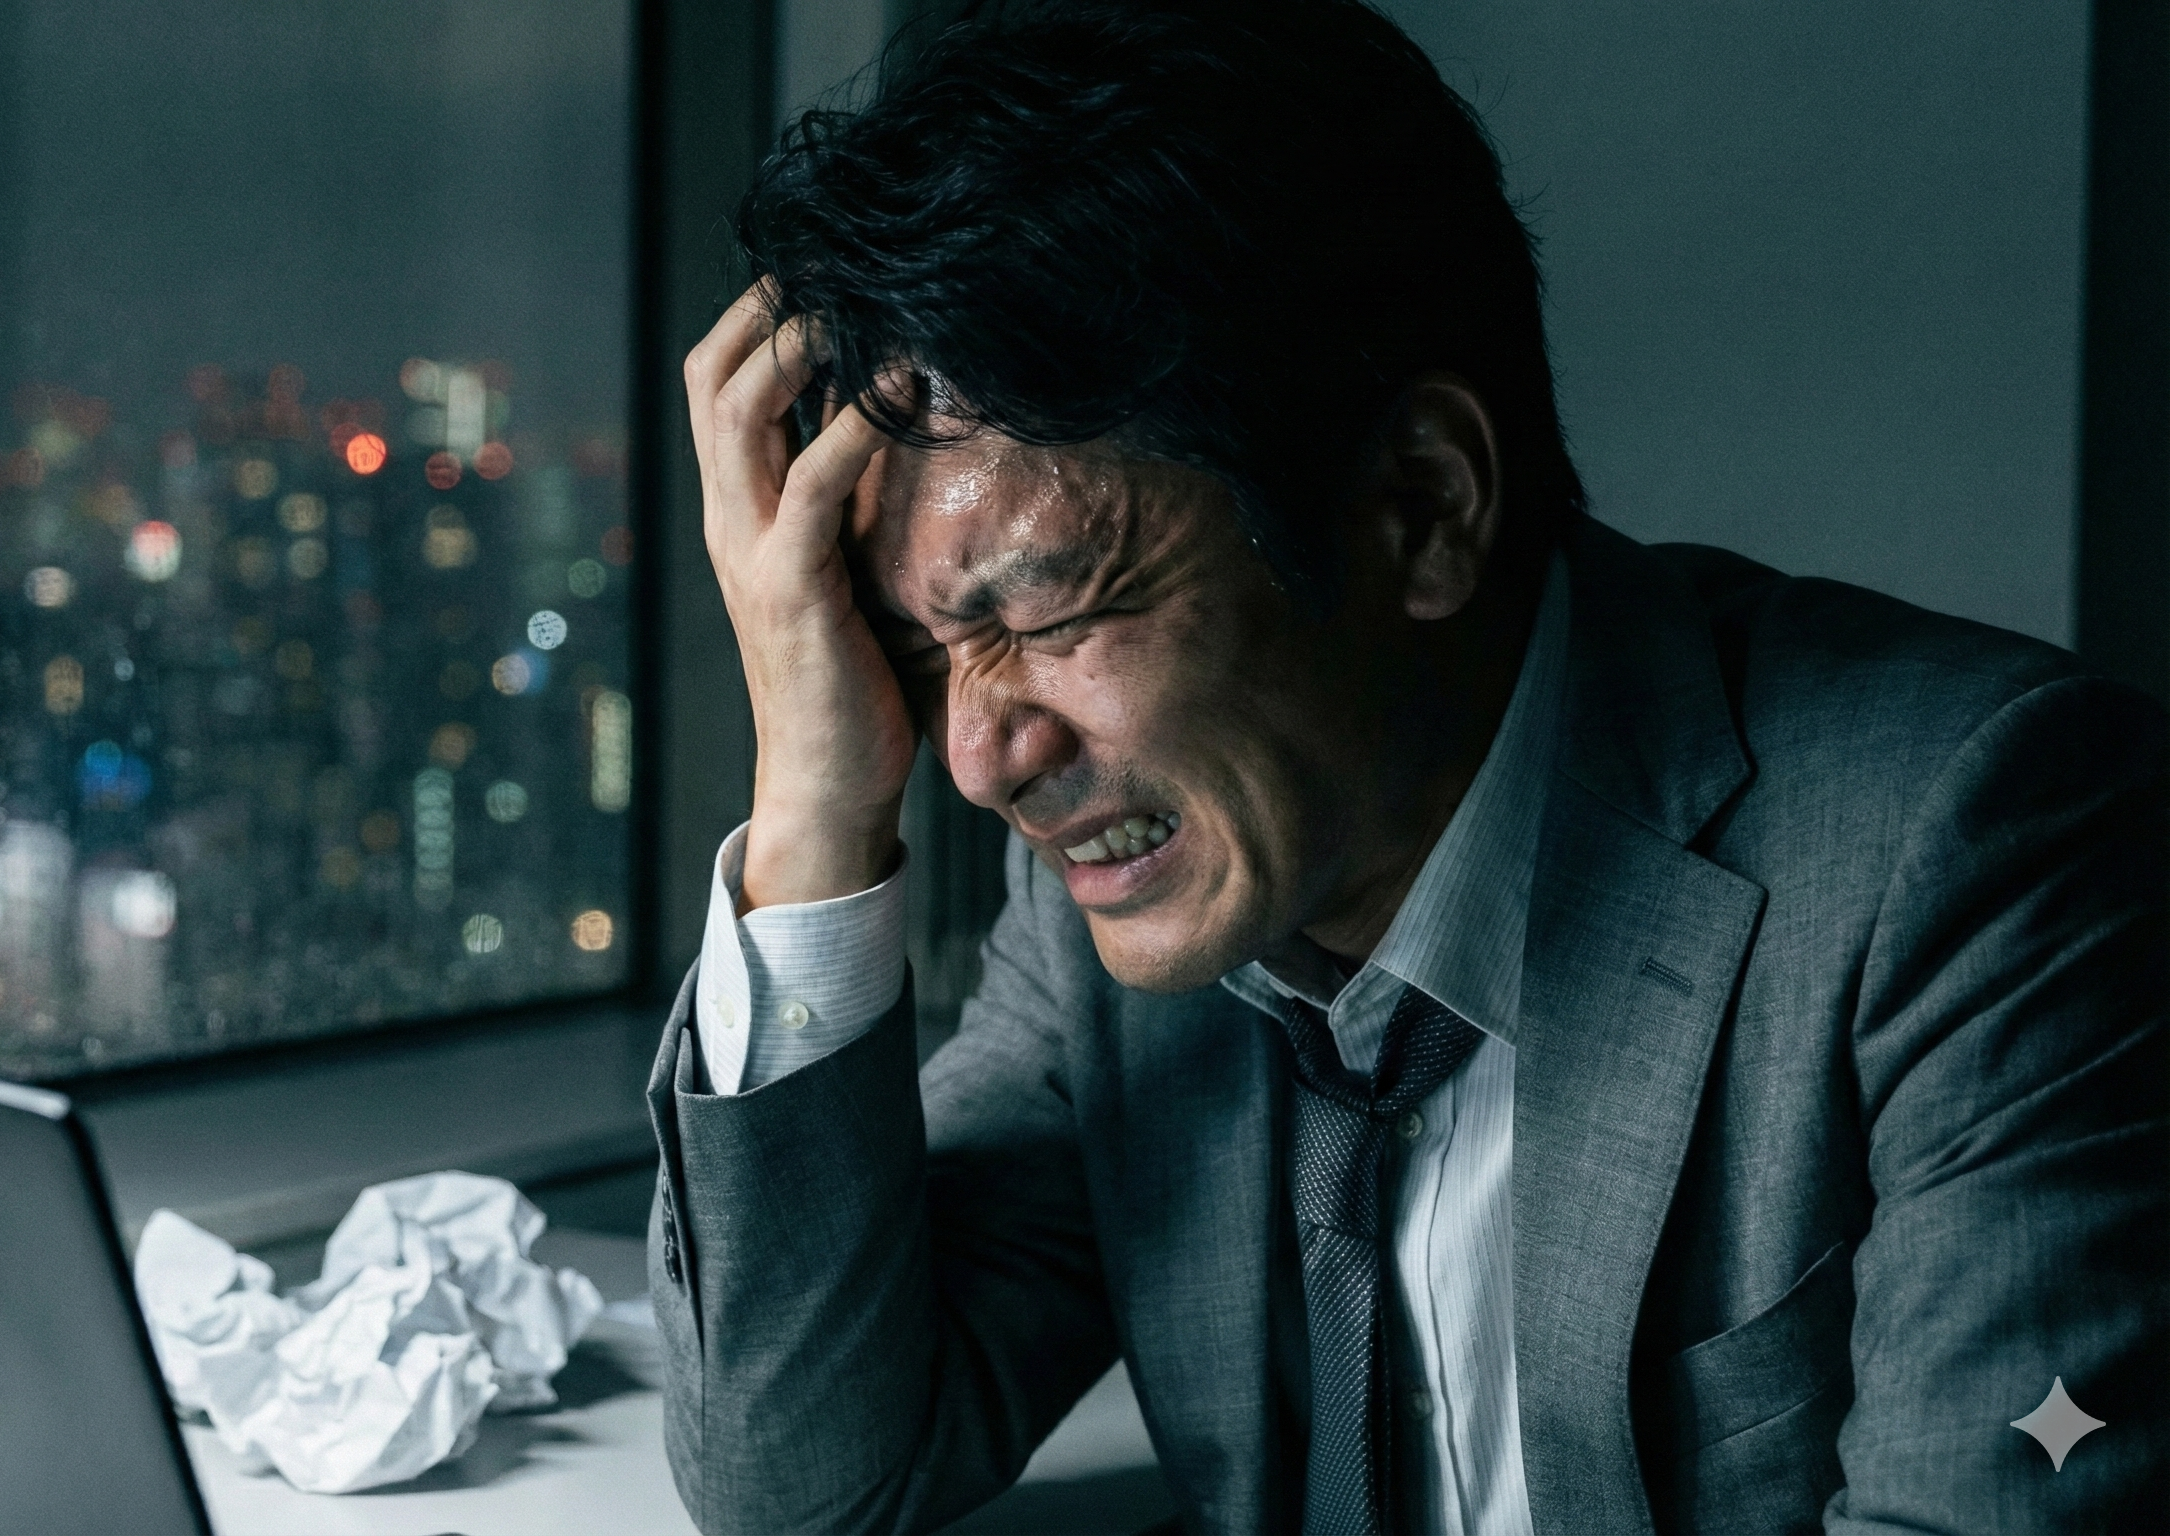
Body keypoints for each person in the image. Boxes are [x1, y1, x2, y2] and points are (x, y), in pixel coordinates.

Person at [642, 3, 2170, 1533]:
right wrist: (814, 812)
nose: (980, 760)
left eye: (1049, 609)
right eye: (917, 649)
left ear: (1423, 507)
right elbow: (803, 1488)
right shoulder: (1128, 918)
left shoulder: (1977, 842)